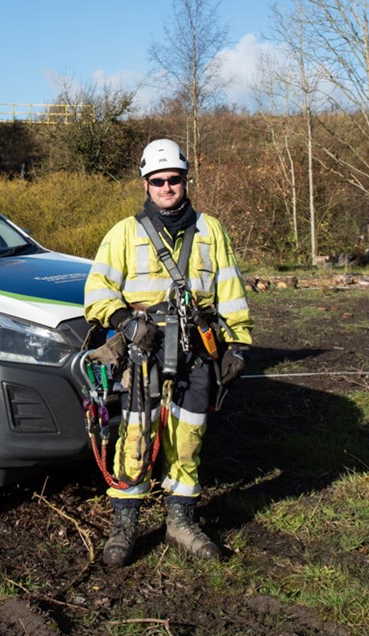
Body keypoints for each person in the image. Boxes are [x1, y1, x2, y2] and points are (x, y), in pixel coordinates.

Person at [83, 138, 253, 567]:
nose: (166, 187)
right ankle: (125, 525)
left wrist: (236, 345)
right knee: (137, 435)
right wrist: (124, 321)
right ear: (145, 184)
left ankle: (181, 521)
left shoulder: (211, 231)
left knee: (188, 436)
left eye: (173, 179)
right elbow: (97, 291)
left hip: (198, 351)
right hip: (145, 351)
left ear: (184, 179)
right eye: (157, 181)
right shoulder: (124, 232)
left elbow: (230, 290)